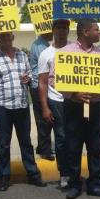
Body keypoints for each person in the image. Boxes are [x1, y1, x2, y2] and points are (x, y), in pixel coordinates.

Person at [53, 18, 100, 199]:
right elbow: (54, 79)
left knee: (94, 146)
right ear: (85, 32)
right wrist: (73, 94)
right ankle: (74, 184)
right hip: (74, 107)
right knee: (73, 147)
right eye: (96, 30)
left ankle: (94, 184)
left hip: (96, 107)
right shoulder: (65, 53)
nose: (99, 33)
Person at [0, 31, 46, 190]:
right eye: (2, 37)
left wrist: (28, 79)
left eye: (8, 36)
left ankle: (33, 174)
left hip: (21, 105)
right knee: (4, 144)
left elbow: (30, 76)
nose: (6, 39)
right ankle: (3, 177)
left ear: (13, 38)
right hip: (2, 106)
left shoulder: (22, 55)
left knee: (26, 142)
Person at [37, 19, 71, 189]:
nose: (62, 30)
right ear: (53, 31)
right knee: (61, 137)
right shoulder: (46, 54)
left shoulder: (75, 49)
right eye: (58, 27)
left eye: (65, 28)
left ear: (68, 31)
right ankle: (64, 173)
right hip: (57, 101)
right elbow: (42, 83)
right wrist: (45, 107)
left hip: (76, 100)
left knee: (75, 137)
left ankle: (74, 170)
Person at [28, 29, 55, 160]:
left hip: (39, 85)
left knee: (43, 118)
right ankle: (44, 149)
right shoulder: (40, 47)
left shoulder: (42, 44)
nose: (53, 34)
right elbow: (47, 66)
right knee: (44, 119)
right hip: (38, 86)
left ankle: (42, 146)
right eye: (51, 31)